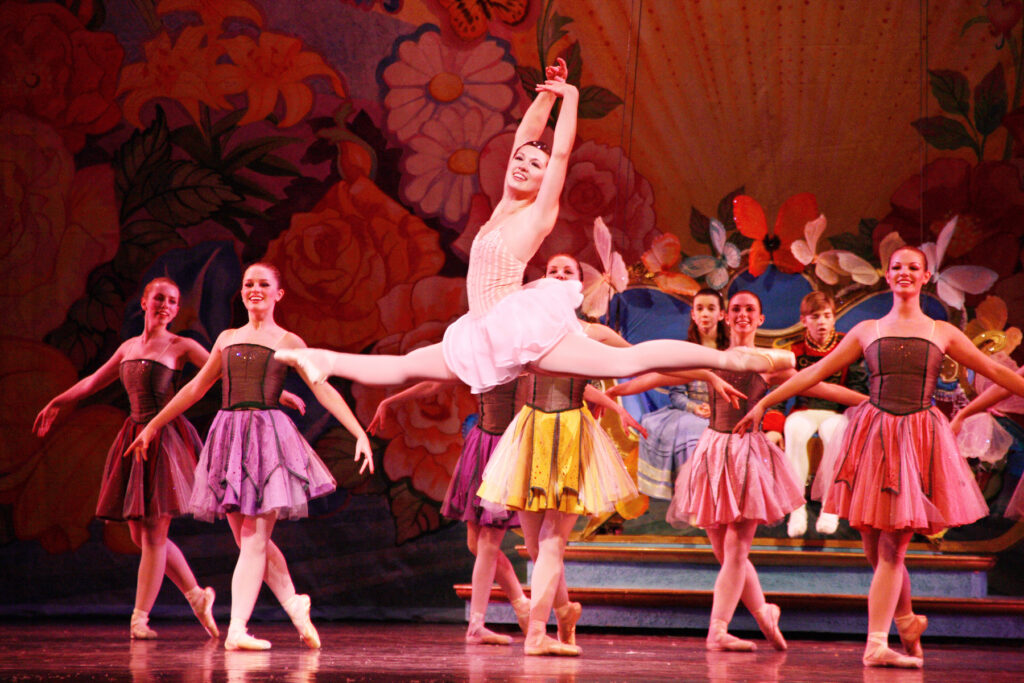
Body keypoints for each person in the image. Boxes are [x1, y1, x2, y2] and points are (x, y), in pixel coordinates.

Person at [274, 59, 791, 395]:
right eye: (518, 160)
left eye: (533, 165)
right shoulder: (504, 203)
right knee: (408, 366)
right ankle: (321, 359)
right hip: (484, 328)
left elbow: (558, 153)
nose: (522, 165)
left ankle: (737, 359)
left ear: (547, 180)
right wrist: (543, 96)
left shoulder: (537, 213)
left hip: (518, 327)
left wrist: (570, 97)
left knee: (624, 362)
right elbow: (526, 137)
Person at [733, 246, 1024, 668]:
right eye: (897, 267)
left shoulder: (942, 332)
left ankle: (876, 644)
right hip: (874, 435)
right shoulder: (866, 329)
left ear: (925, 276)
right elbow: (813, 373)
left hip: (917, 438)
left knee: (892, 546)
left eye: (913, 267)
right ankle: (906, 619)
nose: (904, 272)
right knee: (873, 543)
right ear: (887, 276)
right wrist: (764, 403)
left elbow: (996, 372)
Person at [125, 263, 374, 651]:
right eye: (248, 284)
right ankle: (294, 603)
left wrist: (358, 431)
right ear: (241, 292)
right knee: (248, 542)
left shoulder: (288, 340)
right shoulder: (226, 338)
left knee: (254, 537)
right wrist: (153, 425)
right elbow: (195, 387)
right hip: (229, 439)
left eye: (264, 284)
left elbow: (322, 388)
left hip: (266, 440)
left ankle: (237, 628)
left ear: (278, 294)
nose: (255, 289)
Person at [614, 291, 864, 653]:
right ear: (726, 318)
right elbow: (658, 375)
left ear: (760, 319)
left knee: (735, 550)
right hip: (713, 454)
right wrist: (615, 392)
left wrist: (870, 403)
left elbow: (818, 385)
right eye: (736, 309)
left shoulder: (770, 363)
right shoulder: (711, 359)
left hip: (748, 455)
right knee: (726, 554)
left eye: (750, 309)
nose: (742, 314)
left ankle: (717, 629)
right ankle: (763, 612)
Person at [33, 277, 225, 640]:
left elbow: (222, 370)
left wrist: (272, 394)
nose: (166, 305)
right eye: (160, 298)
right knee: (140, 534)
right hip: (134, 437)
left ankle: (139, 618)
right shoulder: (128, 347)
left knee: (153, 533)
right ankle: (197, 596)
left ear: (176, 310)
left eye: (173, 301)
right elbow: (93, 381)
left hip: (164, 437)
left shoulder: (182, 345)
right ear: (145, 302)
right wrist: (58, 401)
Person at [781, 291, 868, 537]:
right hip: (805, 410)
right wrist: (773, 427)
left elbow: (858, 389)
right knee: (794, 430)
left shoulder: (847, 347)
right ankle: (796, 508)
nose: (821, 322)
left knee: (835, 432)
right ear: (804, 320)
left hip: (836, 412)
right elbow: (781, 391)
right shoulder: (795, 350)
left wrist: (856, 420)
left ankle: (831, 507)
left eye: (827, 316)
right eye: (815, 316)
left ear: (833, 318)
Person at [632, 288, 727, 500]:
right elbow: (676, 395)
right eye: (700, 309)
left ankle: (714, 497)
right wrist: (694, 407)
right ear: (693, 314)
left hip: (724, 413)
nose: (705, 314)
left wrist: (718, 408)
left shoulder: (729, 352)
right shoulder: (684, 352)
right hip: (691, 413)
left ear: (721, 314)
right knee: (688, 429)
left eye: (711, 308)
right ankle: (691, 496)